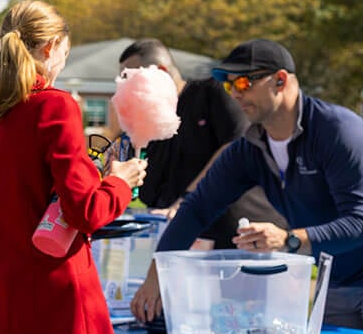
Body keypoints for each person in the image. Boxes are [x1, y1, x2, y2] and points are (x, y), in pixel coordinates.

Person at [131, 39, 363, 334]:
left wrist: (288, 239)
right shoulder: (250, 147)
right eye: (227, 84)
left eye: (244, 83)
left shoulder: (339, 131)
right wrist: (158, 272)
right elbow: (197, 208)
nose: (234, 94)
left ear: (280, 80)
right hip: (336, 274)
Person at [0, 0, 147, 334]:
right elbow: (84, 211)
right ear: (52, 47)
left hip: (0, 311)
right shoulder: (53, 106)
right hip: (55, 311)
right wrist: (119, 183)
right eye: (64, 55)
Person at [118, 38, 284, 248]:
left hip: (240, 237)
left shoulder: (211, 92)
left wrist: (186, 201)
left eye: (132, 77)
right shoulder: (148, 124)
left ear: (161, 71)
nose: (125, 85)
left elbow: (235, 143)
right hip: (179, 240)